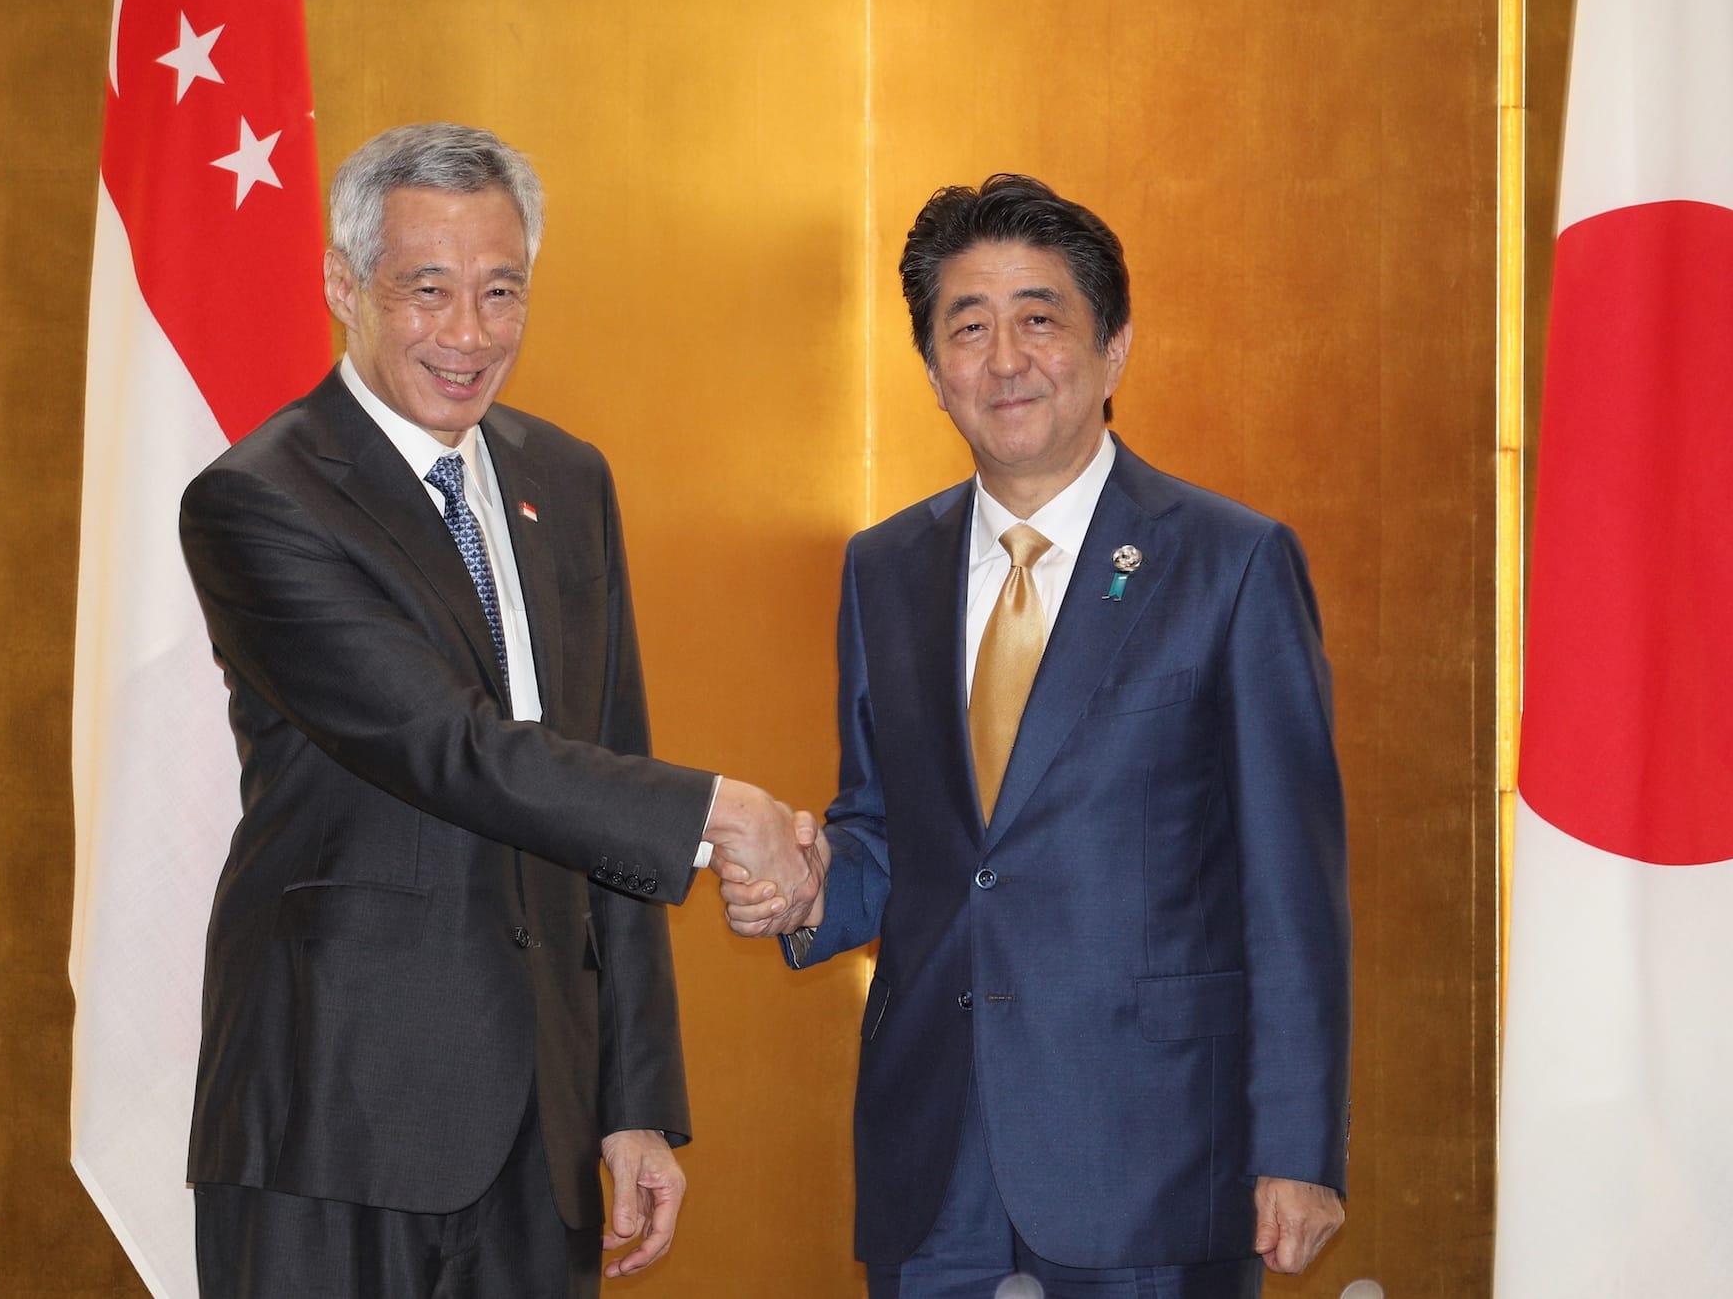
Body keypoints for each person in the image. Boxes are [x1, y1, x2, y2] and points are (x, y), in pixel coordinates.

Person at [178, 122, 813, 1299]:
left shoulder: (563, 480)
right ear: (341, 284)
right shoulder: (256, 502)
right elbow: (449, 747)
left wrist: (631, 1099)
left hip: (545, 1127)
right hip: (335, 1115)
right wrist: (721, 811)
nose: (468, 334)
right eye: (428, 290)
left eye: (500, 290)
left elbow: (603, 766)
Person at [722, 174, 1352, 1298]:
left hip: (1154, 1157)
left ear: (1111, 350)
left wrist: (1296, 1149)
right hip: (932, 1161)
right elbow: (891, 833)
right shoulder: (883, 567)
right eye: (966, 326)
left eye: (1038, 316)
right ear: (931, 372)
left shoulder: (1229, 560)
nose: (1002, 357)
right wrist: (810, 890)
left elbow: (1292, 884)